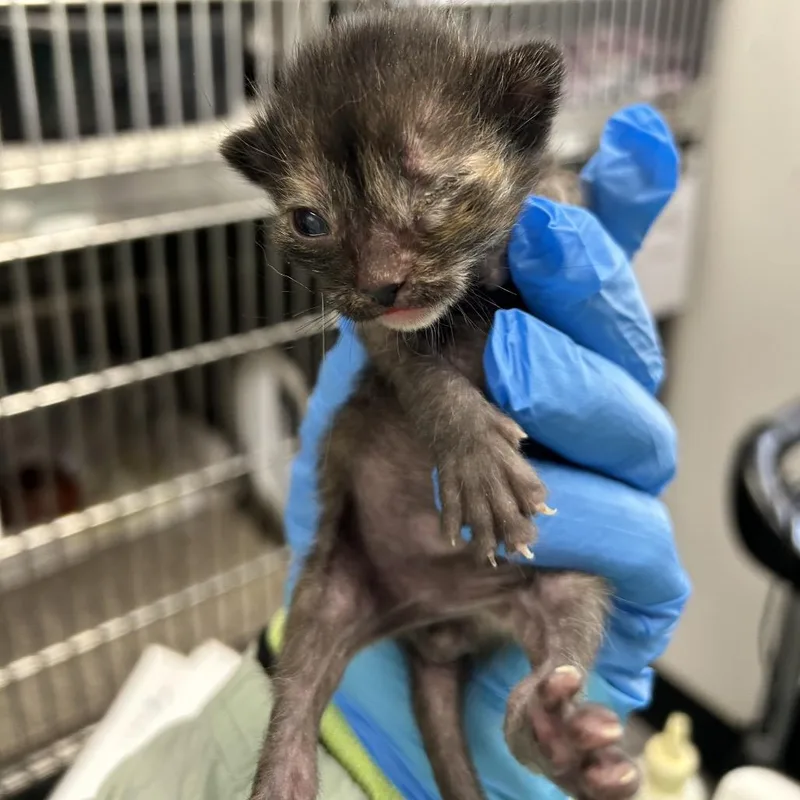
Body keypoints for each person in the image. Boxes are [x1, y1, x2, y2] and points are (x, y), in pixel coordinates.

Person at [96, 104, 690, 800]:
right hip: (383, 558)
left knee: (571, 593)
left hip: (502, 576)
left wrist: (557, 193)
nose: (376, 274)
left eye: (430, 192)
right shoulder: (393, 292)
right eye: (314, 222)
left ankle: (542, 711)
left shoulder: (520, 191)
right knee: (325, 607)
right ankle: (286, 761)